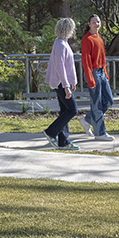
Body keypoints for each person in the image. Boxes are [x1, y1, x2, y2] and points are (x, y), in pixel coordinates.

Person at [43, 17, 79, 150]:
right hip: (60, 83)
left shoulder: (63, 42)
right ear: (69, 29)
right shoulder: (60, 44)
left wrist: (72, 81)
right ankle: (50, 132)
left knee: (65, 111)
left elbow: (68, 65)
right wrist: (66, 86)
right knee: (72, 110)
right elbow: (60, 68)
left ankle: (63, 142)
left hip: (64, 83)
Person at [78, 14, 115, 141]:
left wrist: (105, 72)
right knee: (97, 104)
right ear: (89, 24)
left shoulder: (99, 37)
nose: (96, 24)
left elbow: (102, 57)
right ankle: (100, 133)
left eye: (98, 22)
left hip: (101, 72)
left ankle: (87, 119)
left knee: (109, 101)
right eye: (94, 22)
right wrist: (90, 78)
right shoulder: (86, 39)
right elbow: (86, 60)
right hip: (93, 73)